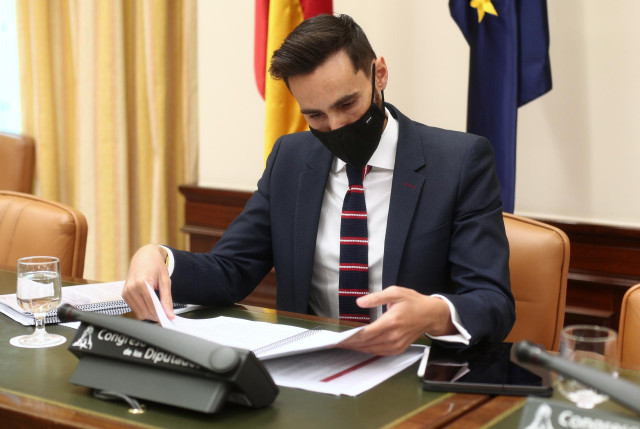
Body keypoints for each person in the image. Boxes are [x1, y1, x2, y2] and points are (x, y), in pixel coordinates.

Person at [122, 14, 515, 356]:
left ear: (379, 74)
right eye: (316, 115)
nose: (337, 126)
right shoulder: (290, 159)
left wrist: (435, 313)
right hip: (307, 369)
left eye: (347, 105)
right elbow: (232, 269)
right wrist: (160, 258)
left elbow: (493, 302)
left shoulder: (459, 161)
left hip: (413, 372)